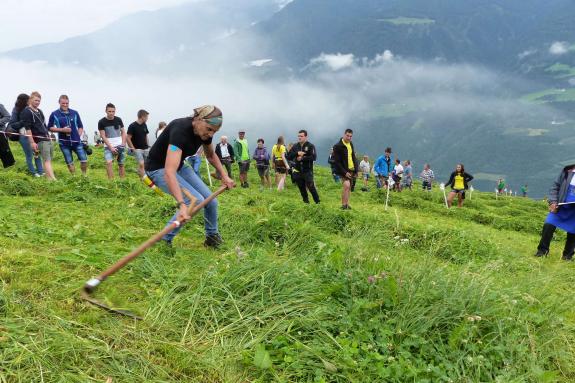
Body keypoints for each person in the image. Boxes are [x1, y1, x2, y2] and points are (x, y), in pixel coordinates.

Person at [145, 105, 234, 248]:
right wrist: (182, 204)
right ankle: (163, 241)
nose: (211, 134)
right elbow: (169, 171)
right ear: (198, 119)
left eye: (214, 131)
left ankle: (211, 237)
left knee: (211, 201)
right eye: (209, 129)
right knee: (195, 200)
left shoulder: (204, 133)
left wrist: (224, 175)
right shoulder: (180, 130)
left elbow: (211, 155)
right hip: (158, 169)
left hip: (179, 165)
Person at [535, 165, 575, 260]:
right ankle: (542, 251)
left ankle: (567, 255)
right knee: (549, 224)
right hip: (560, 206)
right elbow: (555, 187)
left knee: (573, 231)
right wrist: (552, 202)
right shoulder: (567, 171)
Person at [47, 95, 88, 175]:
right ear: (59, 102)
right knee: (69, 162)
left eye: (67, 103)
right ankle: (74, 177)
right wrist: (62, 130)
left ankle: (84, 176)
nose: (65, 105)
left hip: (77, 142)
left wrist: (78, 135)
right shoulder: (54, 114)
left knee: (84, 160)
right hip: (64, 143)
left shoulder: (75, 113)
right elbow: (49, 127)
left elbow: (80, 126)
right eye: (63, 103)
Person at [21, 92, 56, 180]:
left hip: (46, 137)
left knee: (48, 160)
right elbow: (28, 128)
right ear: (30, 100)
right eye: (36, 100)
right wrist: (32, 142)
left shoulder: (39, 111)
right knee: (47, 160)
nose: (37, 102)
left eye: (39, 101)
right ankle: (54, 180)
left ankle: (49, 179)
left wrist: (49, 136)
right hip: (39, 140)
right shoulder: (27, 111)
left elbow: (44, 125)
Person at [9, 94, 43, 176]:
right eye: (28, 99)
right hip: (24, 135)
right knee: (29, 155)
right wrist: (24, 122)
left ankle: (41, 172)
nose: (30, 101)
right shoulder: (16, 110)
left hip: (33, 135)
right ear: (24, 101)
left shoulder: (32, 109)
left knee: (37, 153)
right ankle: (33, 173)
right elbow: (13, 124)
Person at [288, 130, 320, 204]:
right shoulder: (295, 146)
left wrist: (303, 158)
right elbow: (289, 156)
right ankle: (306, 203)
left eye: (301, 136)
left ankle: (318, 203)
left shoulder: (310, 146)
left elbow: (314, 157)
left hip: (307, 171)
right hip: (298, 171)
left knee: (311, 187)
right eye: (298, 136)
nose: (299, 138)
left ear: (306, 137)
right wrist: (297, 153)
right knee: (302, 189)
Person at [98, 103, 126, 179]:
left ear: (115, 111)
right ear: (106, 111)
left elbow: (123, 132)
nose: (111, 113)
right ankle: (111, 183)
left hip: (120, 145)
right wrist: (111, 147)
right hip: (108, 146)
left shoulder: (119, 119)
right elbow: (103, 136)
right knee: (109, 163)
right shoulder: (101, 122)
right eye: (109, 111)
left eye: (113, 111)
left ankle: (123, 182)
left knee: (121, 164)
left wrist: (123, 144)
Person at [332, 129, 358, 209]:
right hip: (343, 169)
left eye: (350, 136)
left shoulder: (351, 144)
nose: (349, 138)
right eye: (347, 136)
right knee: (346, 185)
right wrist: (344, 172)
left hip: (352, 169)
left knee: (349, 187)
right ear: (344, 135)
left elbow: (353, 157)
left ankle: (347, 204)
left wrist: (356, 169)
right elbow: (337, 162)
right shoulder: (337, 146)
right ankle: (343, 205)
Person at [127, 109, 150, 178]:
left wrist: (148, 145)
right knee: (141, 164)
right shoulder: (132, 126)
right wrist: (133, 148)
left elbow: (146, 135)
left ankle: (143, 178)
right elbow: (128, 138)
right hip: (137, 149)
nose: (147, 118)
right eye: (146, 117)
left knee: (146, 165)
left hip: (145, 148)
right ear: (142, 116)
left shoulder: (144, 125)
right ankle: (143, 180)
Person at [0, 103, 15, 168]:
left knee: (6, 156)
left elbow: (7, 116)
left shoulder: (0, 106)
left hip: (0, 134)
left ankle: (10, 172)